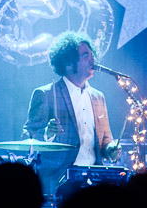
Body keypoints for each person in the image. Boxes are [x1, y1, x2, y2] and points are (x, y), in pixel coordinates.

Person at [22, 32, 119, 194]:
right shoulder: (45, 94)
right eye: (86, 56)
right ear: (68, 63)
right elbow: (27, 137)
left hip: (95, 179)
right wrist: (46, 134)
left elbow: (106, 140)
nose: (93, 60)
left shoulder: (98, 97)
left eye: (92, 55)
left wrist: (112, 149)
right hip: (60, 181)